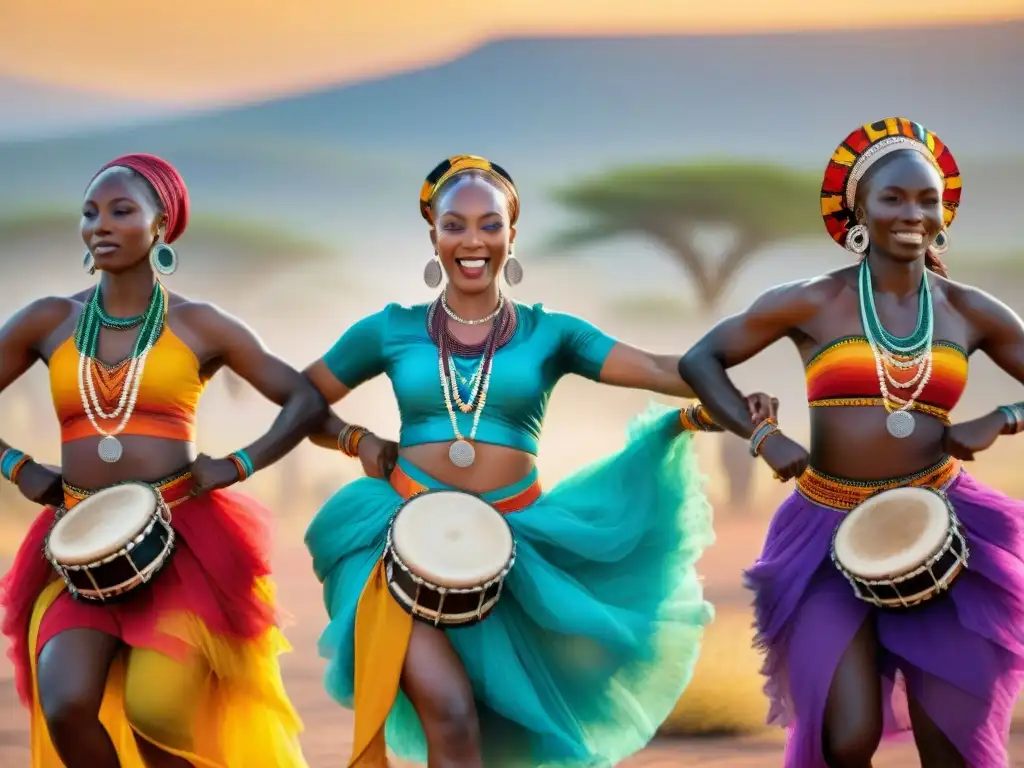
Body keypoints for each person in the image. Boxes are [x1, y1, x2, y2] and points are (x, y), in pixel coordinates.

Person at [301, 154, 780, 767]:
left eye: (489, 224)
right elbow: (302, 399)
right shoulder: (390, 330)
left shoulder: (550, 334)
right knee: (448, 714)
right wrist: (356, 441)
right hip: (399, 542)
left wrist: (732, 397)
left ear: (511, 234)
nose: (472, 241)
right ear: (433, 236)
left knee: (506, 738)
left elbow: (663, 369)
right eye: (455, 225)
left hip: (518, 553)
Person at [678, 118, 1024, 767]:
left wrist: (1004, 416)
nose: (912, 213)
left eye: (927, 199)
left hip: (944, 527)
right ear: (857, 208)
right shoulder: (814, 301)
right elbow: (703, 360)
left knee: (950, 745)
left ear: (945, 210)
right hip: (825, 531)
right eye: (893, 197)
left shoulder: (970, 310)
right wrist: (761, 436)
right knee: (845, 736)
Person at [0, 153, 324, 768]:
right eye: (90, 212)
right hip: (77, 548)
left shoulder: (200, 324)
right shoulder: (50, 320)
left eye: (121, 210)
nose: (100, 224)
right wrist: (17, 465)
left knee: (157, 717)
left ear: (160, 226)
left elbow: (302, 397)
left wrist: (237, 465)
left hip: (182, 545)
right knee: (65, 702)